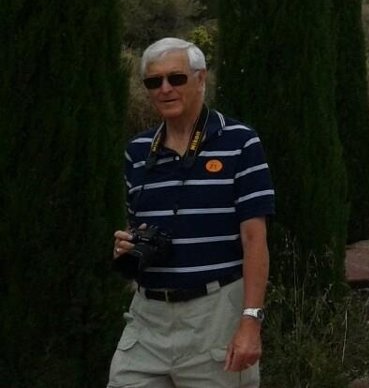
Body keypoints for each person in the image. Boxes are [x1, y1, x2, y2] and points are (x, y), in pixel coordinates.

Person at [109, 37, 275, 386]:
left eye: (176, 78)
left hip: (213, 317)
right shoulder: (137, 152)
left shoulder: (240, 142)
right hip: (147, 319)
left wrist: (250, 321)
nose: (165, 89)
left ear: (201, 79)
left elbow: (254, 240)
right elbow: (134, 226)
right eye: (154, 81)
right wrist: (127, 246)